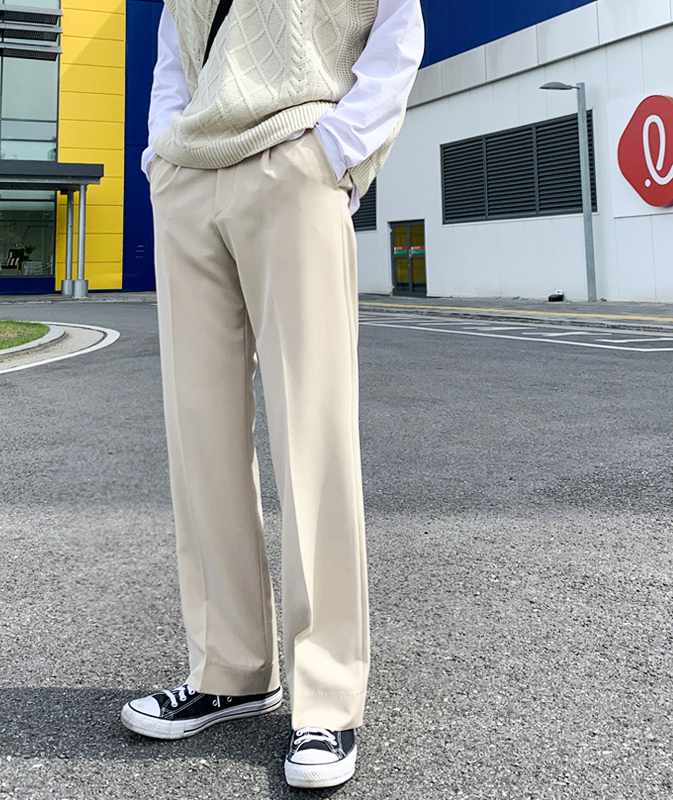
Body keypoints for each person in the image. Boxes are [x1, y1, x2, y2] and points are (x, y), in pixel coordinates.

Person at [121, 0, 425, 788]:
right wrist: (161, 156)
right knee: (200, 435)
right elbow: (175, 45)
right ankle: (230, 670)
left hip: (294, 163)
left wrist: (337, 151)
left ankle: (326, 696)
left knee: (312, 434)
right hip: (189, 179)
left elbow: (400, 25)